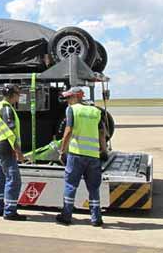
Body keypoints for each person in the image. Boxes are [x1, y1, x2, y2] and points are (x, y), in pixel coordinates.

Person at [56, 86, 107, 227]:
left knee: (71, 185)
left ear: (76, 96)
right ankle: (96, 218)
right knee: (94, 188)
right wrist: (104, 151)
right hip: (93, 156)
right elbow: (102, 133)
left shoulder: (72, 110)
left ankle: (66, 216)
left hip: (76, 155)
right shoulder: (95, 111)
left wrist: (62, 151)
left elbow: (69, 130)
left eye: (68, 97)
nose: (67, 101)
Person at [0, 83, 26, 221]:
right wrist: (18, 152)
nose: (19, 96)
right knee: (14, 179)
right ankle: (10, 211)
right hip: (5, 146)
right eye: (18, 94)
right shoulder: (6, 109)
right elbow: (11, 131)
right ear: (12, 95)